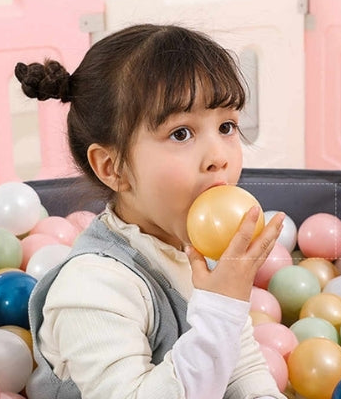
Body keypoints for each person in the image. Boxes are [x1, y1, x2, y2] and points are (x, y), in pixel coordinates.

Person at [15, 23, 287, 399]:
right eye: (181, 133)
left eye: (226, 126)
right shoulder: (93, 287)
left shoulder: (202, 248)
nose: (218, 158)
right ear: (114, 168)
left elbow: (241, 366)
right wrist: (222, 309)